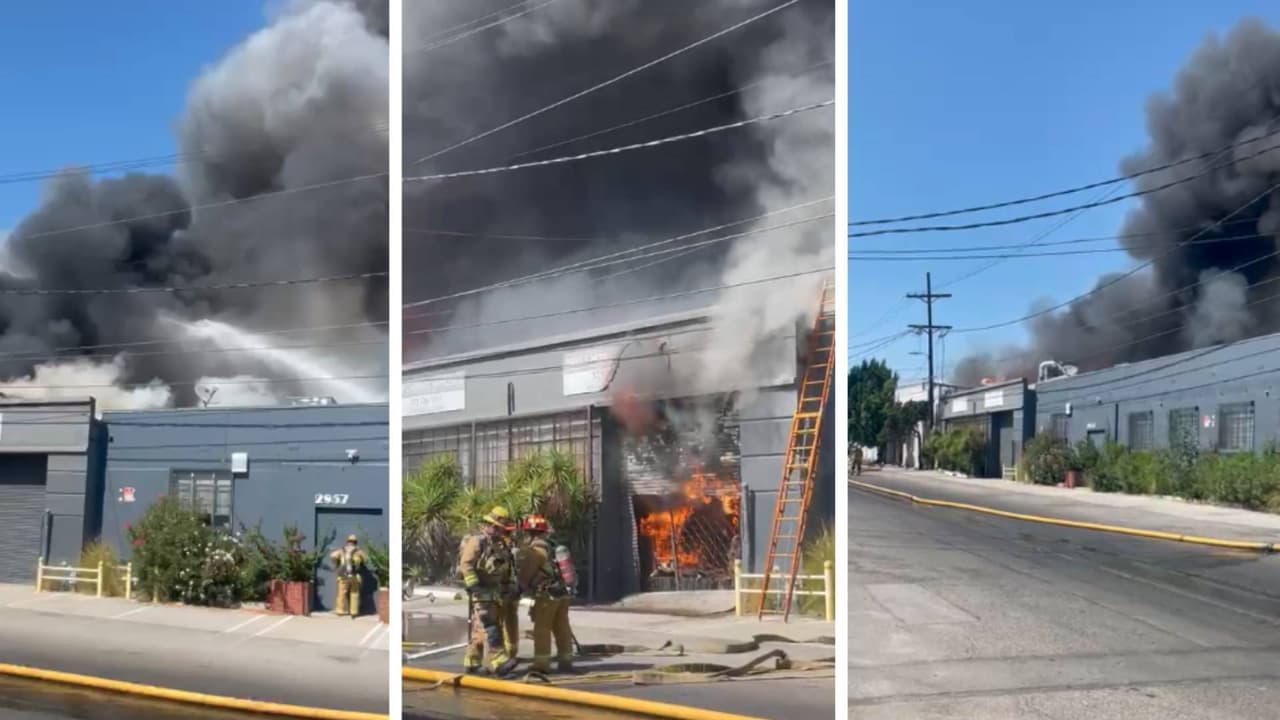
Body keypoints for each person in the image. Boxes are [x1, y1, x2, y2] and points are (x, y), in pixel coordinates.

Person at [459, 506, 519, 677]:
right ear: (489, 525)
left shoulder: (499, 545)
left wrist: (509, 588)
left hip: (495, 593)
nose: (500, 531)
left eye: (502, 528)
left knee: (480, 629)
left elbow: (505, 569)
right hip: (481, 592)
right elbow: (466, 564)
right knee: (490, 627)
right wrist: (474, 585)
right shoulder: (477, 541)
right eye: (498, 527)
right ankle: (500, 663)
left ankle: (472, 664)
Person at [518, 514, 575, 674]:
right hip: (563, 593)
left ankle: (541, 664)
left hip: (546, 596)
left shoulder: (535, 552)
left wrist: (520, 588)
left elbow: (526, 574)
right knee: (562, 627)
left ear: (530, 533)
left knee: (542, 629)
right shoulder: (554, 547)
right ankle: (566, 661)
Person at [329, 535, 365, 618]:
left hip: (343, 575)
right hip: (355, 576)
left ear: (347, 541)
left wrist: (335, 564)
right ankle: (353, 612)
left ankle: (340, 611)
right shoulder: (358, 551)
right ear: (355, 542)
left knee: (341, 593)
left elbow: (333, 556)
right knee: (354, 593)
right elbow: (365, 559)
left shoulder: (342, 550)